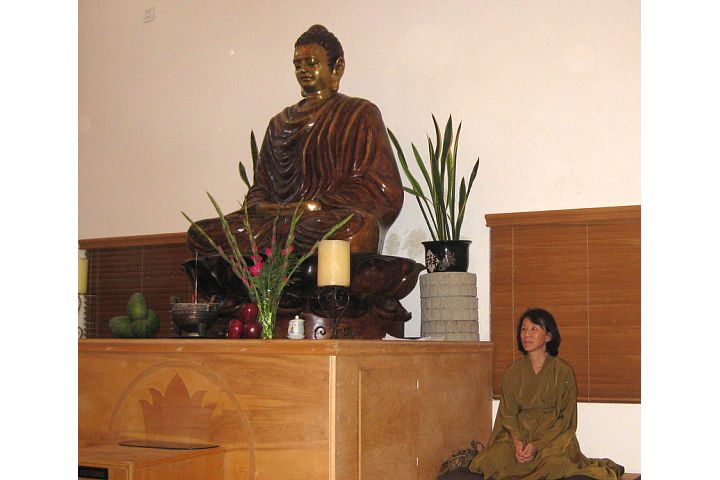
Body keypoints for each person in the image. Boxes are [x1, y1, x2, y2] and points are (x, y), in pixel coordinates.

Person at [188, 24, 403, 255]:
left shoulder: (359, 113)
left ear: (337, 67)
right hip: (275, 223)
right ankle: (280, 247)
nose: (303, 71)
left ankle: (282, 249)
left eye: (311, 63)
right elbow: (261, 187)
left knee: (358, 229)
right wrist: (262, 207)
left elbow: (383, 189)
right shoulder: (279, 123)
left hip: (321, 220)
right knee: (201, 234)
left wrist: (318, 205)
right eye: (298, 65)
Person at [440, 308, 624, 480]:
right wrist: (518, 443)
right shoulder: (513, 372)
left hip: (552, 437)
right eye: (523, 329)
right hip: (519, 434)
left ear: (548, 336)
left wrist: (537, 445)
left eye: (534, 329)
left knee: (555, 464)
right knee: (492, 460)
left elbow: (566, 420)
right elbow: (508, 414)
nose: (527, 334)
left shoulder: (563, 371)